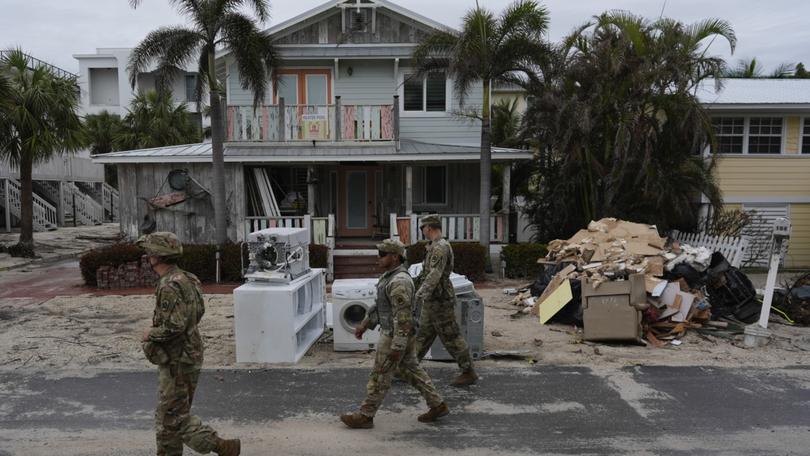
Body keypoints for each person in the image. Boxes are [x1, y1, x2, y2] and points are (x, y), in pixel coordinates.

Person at [137, 232, 241, 456]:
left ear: (157, 255)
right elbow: (197, 313)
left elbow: (175, 326)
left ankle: (221, 446)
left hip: (177, 359)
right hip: (189, 353)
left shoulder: (169, 286)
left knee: (172, 416)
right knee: (171, 413)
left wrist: (149, 334)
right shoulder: (188, 278)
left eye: (149, 251)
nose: (147, 255)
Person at [340, 239, 449, 429]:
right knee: (412, 371)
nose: (379, 259)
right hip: (399, 334)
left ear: (395, 256)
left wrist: (397, 346)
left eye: (383, 255)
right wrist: (365, 324)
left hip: (395, 336)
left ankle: (365, 415)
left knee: (380, 376)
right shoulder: (389, 277)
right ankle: (437, 404)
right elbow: (381, 307)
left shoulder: (399, 281)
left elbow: (403, 317)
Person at [414, 214, 478, 386]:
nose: (422, 231)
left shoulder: (440, 247)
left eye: (423, 227)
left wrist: (420, 294)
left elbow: (435, 274)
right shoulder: (433, 246)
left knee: (451, 336)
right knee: (422, 335)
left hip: (440, 300)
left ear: (429, 227)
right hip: (432, 300)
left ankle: (468, 371)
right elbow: (426, 273)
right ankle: (409, 368)